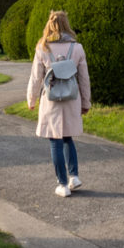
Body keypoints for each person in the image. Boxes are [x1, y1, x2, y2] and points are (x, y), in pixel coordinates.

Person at [26, 10, 91, 198]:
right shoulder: (77, 48)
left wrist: (31, 99)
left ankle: (62, 184)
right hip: (71, 98)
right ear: (66, 24)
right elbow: (84, 79)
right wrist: (86, 102)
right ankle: (74, 176)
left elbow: (36, 77)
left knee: (55, 140)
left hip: (51, 99)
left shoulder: (43, 48)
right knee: (68, 137)